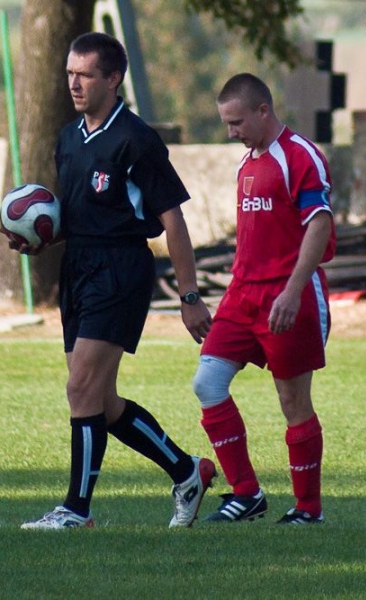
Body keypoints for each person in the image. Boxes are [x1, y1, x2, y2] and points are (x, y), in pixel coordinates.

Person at [15, 32, 216, 529]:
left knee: (81, 388)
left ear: (112, 78)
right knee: (99, 403)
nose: (74, 83)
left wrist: (190, 296)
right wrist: (40, 239)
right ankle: (187, 472)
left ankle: (75, 511)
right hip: (78, 269)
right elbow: (82, 217)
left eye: (84, 74)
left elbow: (174, 221)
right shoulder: (67, 138)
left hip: (121, 271)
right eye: (69, 74)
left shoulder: (137, 139)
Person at [193, 73, 335, 525]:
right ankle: (246, 493)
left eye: (236, 122)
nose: (230, 132)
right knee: (207, 383)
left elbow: (320, 224)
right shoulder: (245, 165)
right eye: (225, 123)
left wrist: (293, 291)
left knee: (292, 402)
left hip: (289, 294)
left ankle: (308, 509)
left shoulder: (300, 155)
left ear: (262, 110)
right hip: (242, 296)